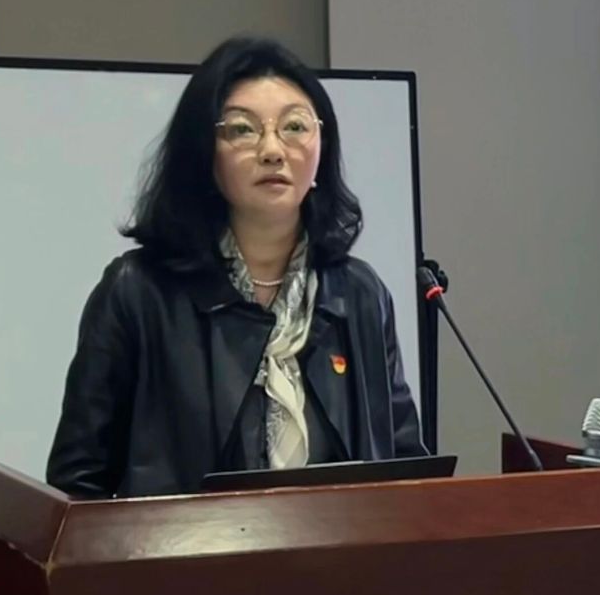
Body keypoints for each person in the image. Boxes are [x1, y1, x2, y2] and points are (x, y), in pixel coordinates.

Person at [47, 36, 423, 498]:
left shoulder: (359, 294)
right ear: (203, 153)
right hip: (183, 548)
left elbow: (409, 473)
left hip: (340, 548)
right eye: (243, 130)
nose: (273, 149)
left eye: (295, 126)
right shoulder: (138, 292)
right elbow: (78, 486)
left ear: (322, 148)